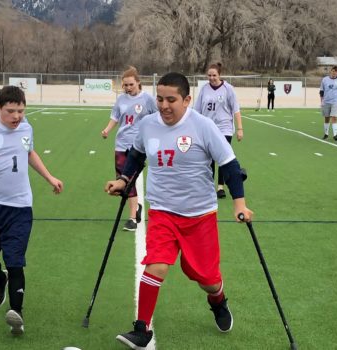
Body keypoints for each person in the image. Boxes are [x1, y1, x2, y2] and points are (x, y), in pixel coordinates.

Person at [105, 72, 253, 349]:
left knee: (207, 279)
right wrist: (123, 180)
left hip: (200, 216)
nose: (163, 105)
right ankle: (141, 329)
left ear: (186, 100)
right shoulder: (148, 125)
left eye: (171, 99)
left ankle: (218, 301)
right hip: (162, 211)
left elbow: (230, 166)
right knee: (156, 264)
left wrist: (239, 204)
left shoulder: (203, 126)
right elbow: (136, 155)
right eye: (159, 99)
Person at [0, 86, 63, 335]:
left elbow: (29, 152)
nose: (17, 117)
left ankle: (17, 314)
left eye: (21, 111)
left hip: (20, 208)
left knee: (15, 262)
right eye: (11, 111)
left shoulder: (26, 127)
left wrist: (49, 177)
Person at [101, 66, 158, 231]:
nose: (127, 88)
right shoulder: (121, 99)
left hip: (139, 147)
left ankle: (133, 218)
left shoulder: (148, 99)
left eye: (130, 84)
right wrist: (107, 130)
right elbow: (115, 117)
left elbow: (157, 116)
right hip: (121, 144)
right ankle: (136, 209)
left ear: (138, 83)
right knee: (123, 183)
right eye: (125, 85)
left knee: (129, 181)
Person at [194, 62, 244, 199]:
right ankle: (209, 186)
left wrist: (240, 128)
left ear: (219, 75)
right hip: (207, 128)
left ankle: (220, 187)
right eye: (209, 75)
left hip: (224, 128)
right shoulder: (204, 89)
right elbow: (197, 110)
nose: (211, 78)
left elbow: (236, 109)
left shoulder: (228, 89)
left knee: (222, 156)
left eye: (214, 75)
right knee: (208, 159)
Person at [319, 66, 337, 141]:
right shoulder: (325, 79)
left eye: (335, 71)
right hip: (326, 102)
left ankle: (335, 135)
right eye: (333, 71)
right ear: (331, 71)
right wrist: (322, 101)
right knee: (327, 118)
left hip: (335, 102)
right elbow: (321, 91)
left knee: (334, 117)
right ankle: (326, 134)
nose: (334, 73)